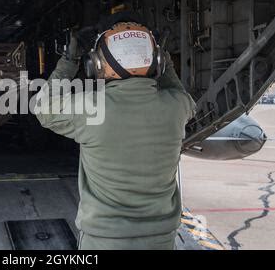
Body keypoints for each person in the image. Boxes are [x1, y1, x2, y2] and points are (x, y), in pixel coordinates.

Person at [34, 21, 196, 250]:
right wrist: (165, 60)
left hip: (103, 242)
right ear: (155, 62)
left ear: (96, 65)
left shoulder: (90, 107)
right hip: (161, 240)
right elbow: (180, 93)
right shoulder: (177, 106)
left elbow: (43, 107)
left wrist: (69, 61)